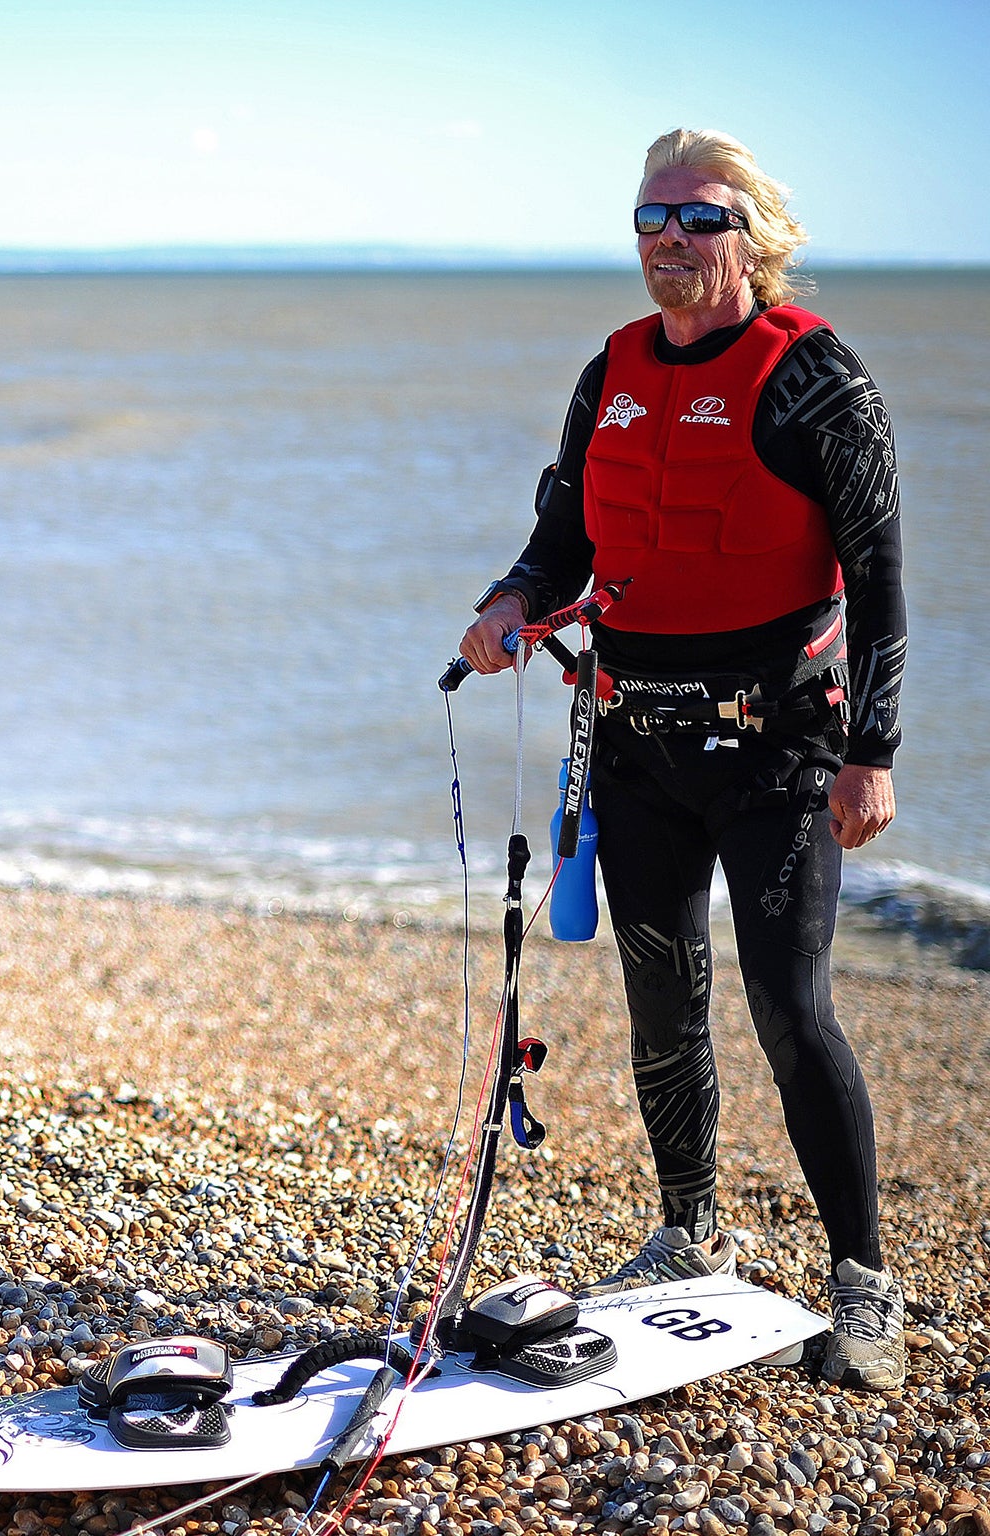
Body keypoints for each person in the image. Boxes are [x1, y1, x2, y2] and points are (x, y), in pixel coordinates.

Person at [457, 128, 909, 1390]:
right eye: (648, 219)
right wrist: (507, 602)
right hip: (633, 737)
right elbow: (561, 534)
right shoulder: (609, 367)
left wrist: (869, 752)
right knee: (662, 997)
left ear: (752, 235)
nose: (668, 240)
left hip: (777, 750)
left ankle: (861, 1286)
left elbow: (877, 587)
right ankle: (684, 1230)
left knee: (786, 1006)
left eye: (697, 219)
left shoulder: (819, 379)